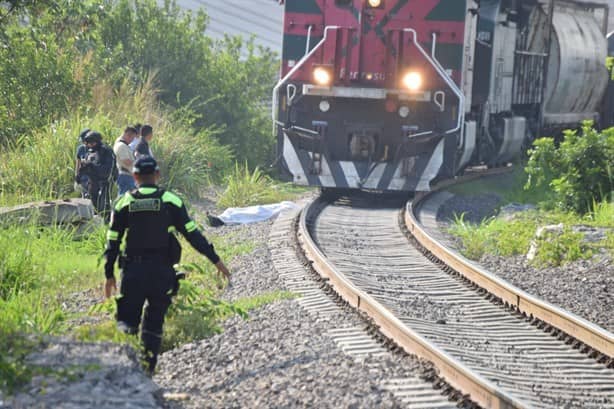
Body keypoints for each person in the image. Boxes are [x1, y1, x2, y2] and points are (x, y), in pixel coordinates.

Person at [103, 156, 231, 374]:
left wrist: (109, 274)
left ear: (134, 177)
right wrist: (215, 260)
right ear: (157, 175)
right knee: (154, 324)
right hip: (161, 272)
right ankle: (147, 372)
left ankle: (125, 376)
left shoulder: (124, 202)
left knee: (126, 324)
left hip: (132, 272)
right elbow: (193, 235)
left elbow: (113, 240)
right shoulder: (171, 200)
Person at [78, 131, 115, 217]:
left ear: (95, 142)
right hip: (91, 183)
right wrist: (80, 175)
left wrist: (92, 166)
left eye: (90, 143)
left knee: (103, 208)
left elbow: (107, 170)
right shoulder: (91, 151)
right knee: (92, 207)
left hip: (103, 183)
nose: (88, 146)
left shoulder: (106, 151)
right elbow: (86, 166)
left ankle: (105, 223)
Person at [113, 126, 138, 195]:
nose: (132, 140)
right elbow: (126, 161)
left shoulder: (122, 145)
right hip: (125, 176)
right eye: (132, 138)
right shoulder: (121, 146)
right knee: (124, 197)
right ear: (127, 135)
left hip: (126, 175)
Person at [74, 128, 91, 198]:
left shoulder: (96, 148)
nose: (83, 143)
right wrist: (77, 176)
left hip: (94, 179)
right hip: (83, 179)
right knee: (85, 199)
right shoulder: (81, 149)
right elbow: (78, 164)